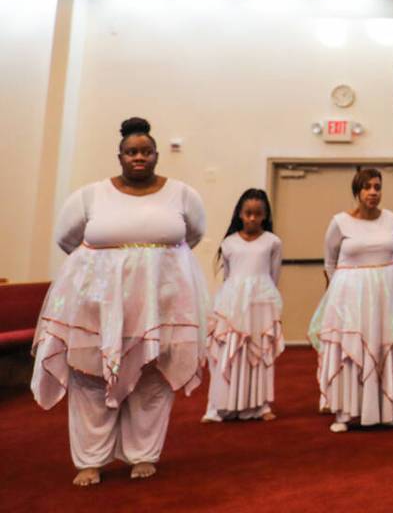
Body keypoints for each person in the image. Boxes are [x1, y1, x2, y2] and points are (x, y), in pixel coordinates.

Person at [31, 117, 210, 486]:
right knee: (90, 376)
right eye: (131, 152)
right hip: (97, 306)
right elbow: (68, 239)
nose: (139, 157)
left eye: (146, 151)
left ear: (157, 155)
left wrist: (151, 268)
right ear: (120, 156)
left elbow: (192, 235)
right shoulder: (90, 195)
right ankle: (90, 459)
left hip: (160, 307)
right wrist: (109, 270)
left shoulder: (183, 194)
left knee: (151, 376)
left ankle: (142, 454)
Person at [308, 167, 393, 431]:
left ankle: (384, 409)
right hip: (350, 296)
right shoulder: (339, 222)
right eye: (367, 187)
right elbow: (329, 261)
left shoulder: (391, 219)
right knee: (351, 349)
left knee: (384, 345)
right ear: (357, 192)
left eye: (377, 187)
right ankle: (344, 413)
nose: (373, 192)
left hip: (386, 295)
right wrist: (335, 293)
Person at [202, 188, 284, 423]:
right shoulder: (229, 243)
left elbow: (273, 276)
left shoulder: (273, 242)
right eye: (247, 213)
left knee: (259, 353)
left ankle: (260, 405)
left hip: (261, 303)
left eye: (257, 214)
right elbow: (228, 278)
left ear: (265, 216)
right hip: (232, 304)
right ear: (239, 214)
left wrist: (269, 304)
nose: (252, 219)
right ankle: (219, 406)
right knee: (229, 352)